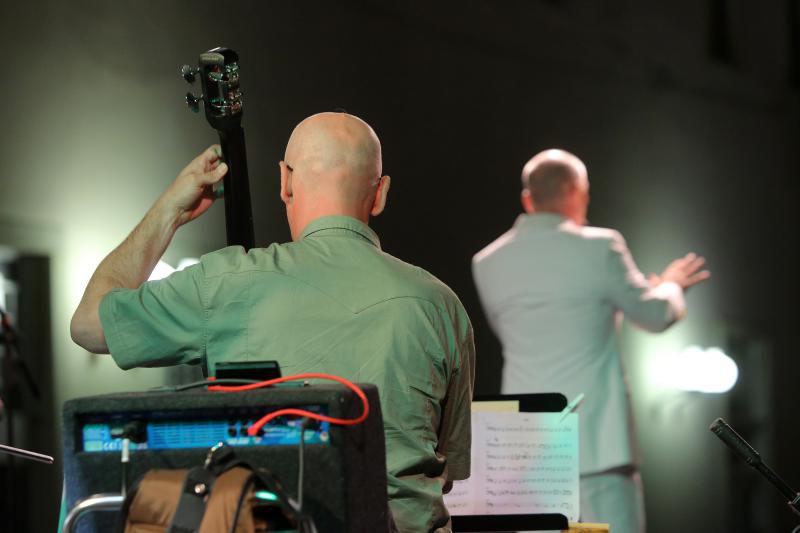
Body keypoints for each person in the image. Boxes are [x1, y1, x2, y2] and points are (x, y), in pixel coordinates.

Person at [71, 112, 475, 533]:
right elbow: (445, 470)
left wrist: (171, 210)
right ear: (381, 194)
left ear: (284, 181)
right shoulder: (440, 305)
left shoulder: (224, 284)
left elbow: (87, 324)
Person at [471, 149, 709, 533]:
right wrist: (670, 285)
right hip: (598, 446)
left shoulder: (488, 261)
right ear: (576, 191)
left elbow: (518, 332)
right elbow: (655, 314)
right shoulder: (601, 246)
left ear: (527, 199)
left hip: (525, 450)